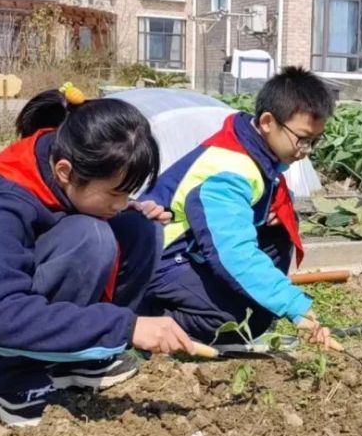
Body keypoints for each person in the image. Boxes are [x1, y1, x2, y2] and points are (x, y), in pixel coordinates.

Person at [0, 86, 196, 427]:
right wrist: (125, 327)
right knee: (90, 236)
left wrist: (123, 208)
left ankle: (75, 360)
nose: (121, 201)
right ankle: (2, 379)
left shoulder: (60, 162)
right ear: (64, 171)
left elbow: (64, 218)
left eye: (128, 191)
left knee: (138, 226)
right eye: (115, 192)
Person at [142, 67, 339, 350]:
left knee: (264, 285)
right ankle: (144, 319)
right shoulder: (230, 169)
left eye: (314, 142)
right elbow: (233, 253)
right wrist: (295, 307)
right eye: (302, 139)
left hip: (190, 254)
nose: (306, 150)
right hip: (159, 261)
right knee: (240, 318)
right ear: (268, 121)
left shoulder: (253, 151)